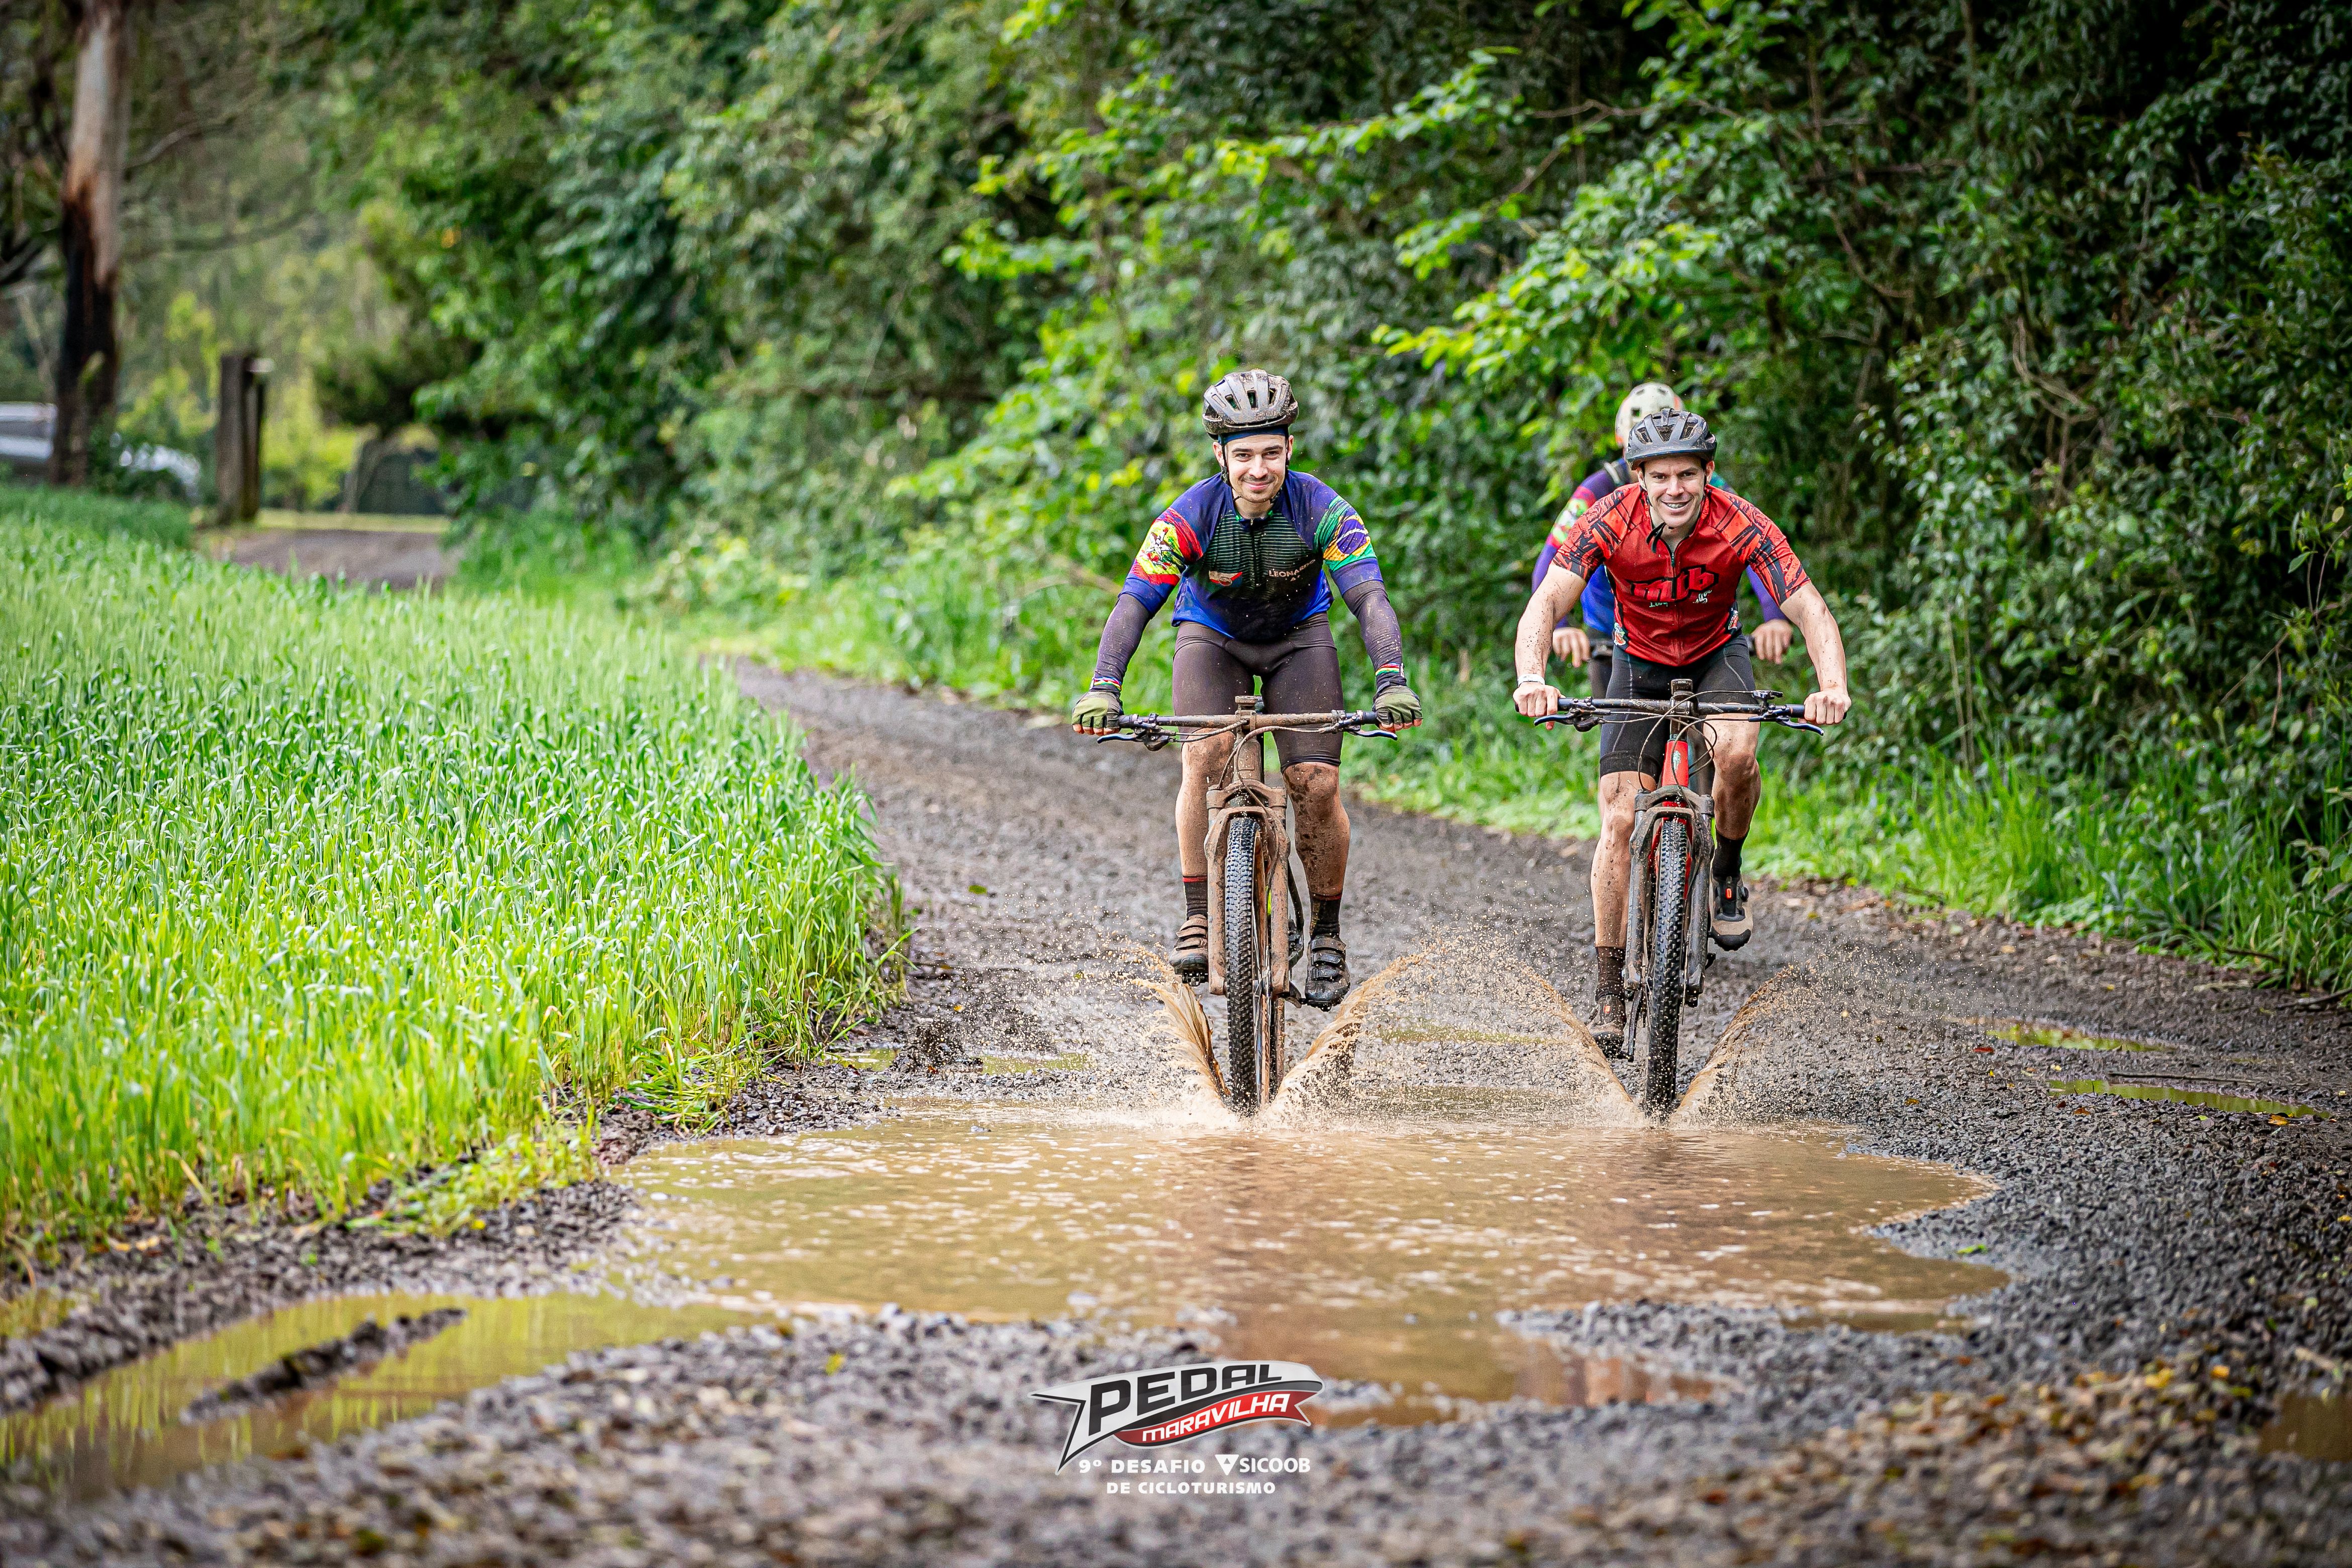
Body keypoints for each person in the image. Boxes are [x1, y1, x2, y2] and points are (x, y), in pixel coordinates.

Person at [1071, 369, 1421, 1008]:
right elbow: (1134, 602)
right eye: (1243, 456)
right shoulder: (1190, 515)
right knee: (1204, 756)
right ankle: (1199, 915)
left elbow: (1369, 598)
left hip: (1299, 640)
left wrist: (1391, 678)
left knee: (1316, 783)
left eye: (1270, 453)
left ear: (1289, 449)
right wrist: (1104, 686)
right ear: (1220, 456)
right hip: (1214, 640)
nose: (1258, 469)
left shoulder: (1324, 509)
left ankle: (1327, 936)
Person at [1510, 410, 1851, 1049]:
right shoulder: (1608, 517)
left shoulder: (1740, 520)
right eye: (1661, 476)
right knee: (1618, 818)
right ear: (1639, 477)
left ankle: (1726, 869)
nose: (1675, 489)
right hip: (1636, 661)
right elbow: (1547, 601)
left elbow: (1809, 607)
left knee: (1739, 755)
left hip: (1717, 654)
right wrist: (1533, 676)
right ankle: (1609, 989)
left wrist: (1831, 685)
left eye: (1688, 475)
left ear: (1707, 473)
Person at [1535, 383, 1794, 699]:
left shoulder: (1709, 487)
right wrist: (1561, 626)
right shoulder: (1596, 490)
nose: (1672, 486)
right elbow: (1552, 559)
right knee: (1615, 717)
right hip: (1613, 630)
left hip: (1698, 627)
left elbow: (1756, 548)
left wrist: (1775, 618)